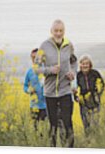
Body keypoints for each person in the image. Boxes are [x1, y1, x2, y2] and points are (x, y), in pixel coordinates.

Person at [33, 19, 76, 147]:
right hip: (50, 92)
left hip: (65, 90)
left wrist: (72, 72)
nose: (58, 33)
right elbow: (36, 67)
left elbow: (74, 62)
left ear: (64, 31)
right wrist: (50, 70)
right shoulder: (44, 46)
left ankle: (69, 148)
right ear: (51, 31)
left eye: (61, 31)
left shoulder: (69, 45)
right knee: (53, 125)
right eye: (56, 31)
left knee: (67, 123)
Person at [76, 55, 105, 136]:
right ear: (80, 65)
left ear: (90, 65)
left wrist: (98, 94)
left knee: (95, 123)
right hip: (83, 103)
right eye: (83, 63)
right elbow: (74, 88)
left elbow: (102, 84)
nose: (85, 65)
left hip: (94, 101)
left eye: (87, 63)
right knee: (86, 124)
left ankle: (96, 141)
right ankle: (88, 141)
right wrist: (76, 97)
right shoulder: (78, 75)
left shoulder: (95, 73)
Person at [24, 48, 47, 131]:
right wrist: (29, 90)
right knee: (35, 130)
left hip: (46, 105)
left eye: (37, 57)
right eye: (33, 57)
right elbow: (25, 86)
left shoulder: (46, 70)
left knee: (46, 129)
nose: (35, 59)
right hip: (34, 105)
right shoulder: (29, 72)